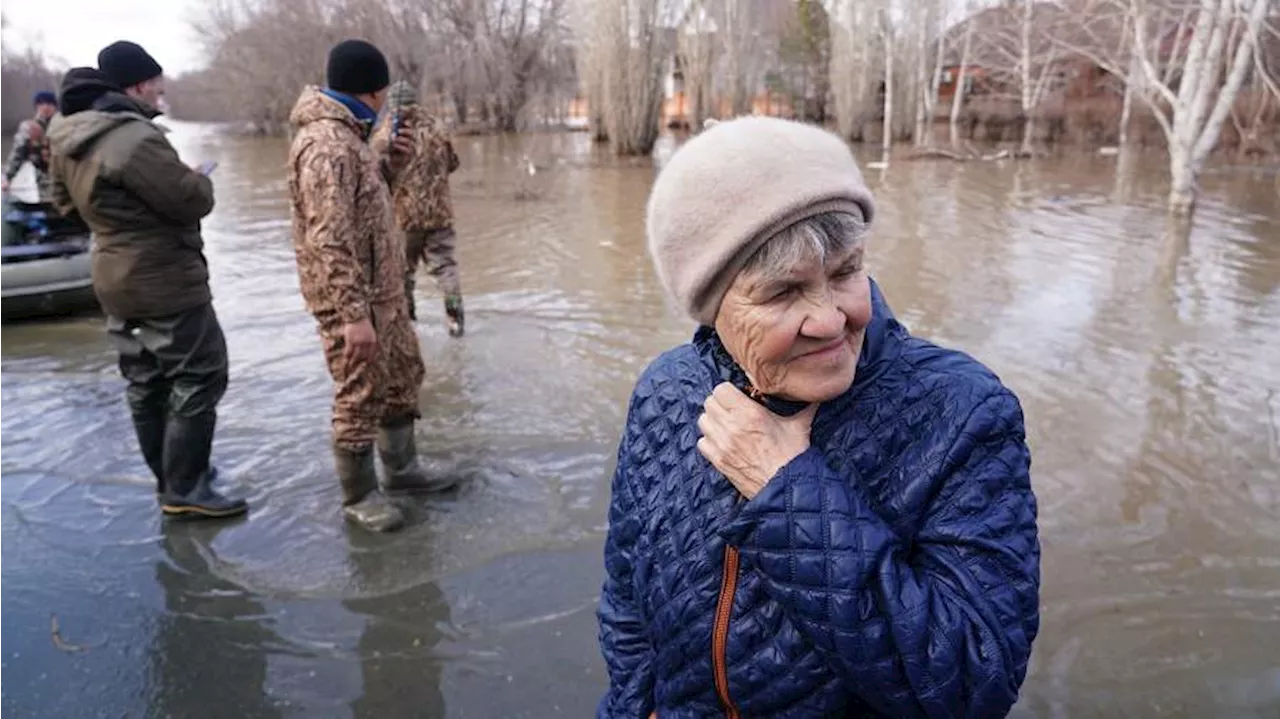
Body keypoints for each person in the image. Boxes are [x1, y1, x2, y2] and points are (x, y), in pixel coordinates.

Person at [596, 117, 1040, 717]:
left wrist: (789, 493)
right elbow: (627, 602)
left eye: (845, 272)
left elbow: (971, 684)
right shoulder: (666, 392)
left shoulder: (960, 412)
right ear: (711, 306)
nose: (830, 320)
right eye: (782, 293)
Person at [46, 45, 248, 520]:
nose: (162, 90)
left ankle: (173, 478)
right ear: (137, 86)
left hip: (112, 275)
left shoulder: (67, 138)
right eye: (157, 81)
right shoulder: (135, 138)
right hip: (163, 277)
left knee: (144, 380)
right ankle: (186, 487)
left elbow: (64, 205)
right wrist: (197, 179)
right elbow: (190, 202)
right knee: (201, 373)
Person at [287, 39, 458, 534]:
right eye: (383, 93)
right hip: (352, 302)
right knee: (359, 392)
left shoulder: (353, 138)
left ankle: (402, 471)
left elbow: (363, 204)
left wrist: (389, 161)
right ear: (374, 91)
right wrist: (352, 316)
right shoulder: (326, 146)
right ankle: (359, 495)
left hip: (381, 295)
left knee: (403, 375)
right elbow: (329, 238)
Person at [369, 80, 464, 336]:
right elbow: (453, 163)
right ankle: (455, 320)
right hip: (439, 215)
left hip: (403, 217)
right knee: (446, 269)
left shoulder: (386, 132)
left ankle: (409, 325)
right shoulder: (438, 128)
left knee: (403, 272)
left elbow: (375, 174)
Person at [1, 90, 58, 196]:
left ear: (55, 107)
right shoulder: (28, 127)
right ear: (36, 107)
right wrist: (7, 178)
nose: (45, 107)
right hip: (37, 183)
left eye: (49, 104)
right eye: (41, 104)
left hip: (62, 181)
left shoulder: (64, 127)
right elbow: (17, 154)